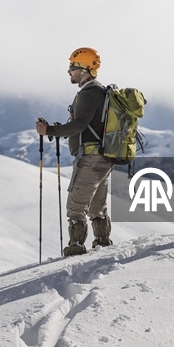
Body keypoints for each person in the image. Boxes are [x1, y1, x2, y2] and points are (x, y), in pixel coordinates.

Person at [35, 47, 113, 256]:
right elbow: (85, 125)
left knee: (76, 206)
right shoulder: (99, 91)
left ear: (85, 68)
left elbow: (79, 125)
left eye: (72, 67)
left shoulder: (90, 93)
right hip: (103, 157)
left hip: (91, 158)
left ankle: (76, 248)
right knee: (97, 205)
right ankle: (103, 242)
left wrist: (49, 130)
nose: (69, 72)